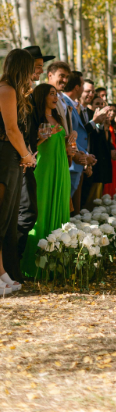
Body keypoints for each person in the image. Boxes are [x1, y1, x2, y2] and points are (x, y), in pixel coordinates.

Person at [21, 84, 71, 277]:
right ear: (42, 96)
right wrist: (43, 138)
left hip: (60, 170)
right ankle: (33, 266)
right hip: (43, 170)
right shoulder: (35, 119)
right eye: (52, 94)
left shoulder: (58, 118)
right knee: (40, 211)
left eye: (56, 94)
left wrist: (69, 142)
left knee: (58, 208)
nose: (56, 98)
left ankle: (56, 265)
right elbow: (31, 145)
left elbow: (61, 144)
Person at [0, 49, 36, 291]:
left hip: (10, 156)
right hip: (3, 155)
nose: (33, 74)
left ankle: (2, 272)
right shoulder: (6, 89)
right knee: (1, 218)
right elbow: (12, 130)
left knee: (6, 220)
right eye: (31, 69)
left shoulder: (12, 90)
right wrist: (27, 157)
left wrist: (23, 156)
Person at [62, 73, 92, 213]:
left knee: (72, 206)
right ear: (77, 87)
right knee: (66, 205)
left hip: (77, 161)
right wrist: (83, 154)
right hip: (71, 161)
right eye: (82, 85)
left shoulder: (72, 105)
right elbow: (69, 133)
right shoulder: (65, 103)